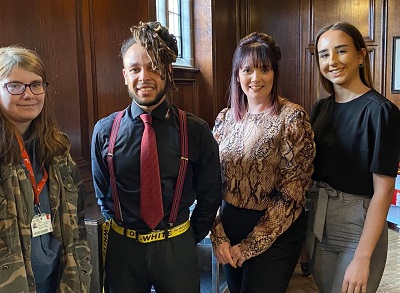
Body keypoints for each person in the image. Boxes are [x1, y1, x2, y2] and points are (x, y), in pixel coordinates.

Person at [91, 21, 222, 293]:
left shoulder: (195, 131)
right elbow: (103, 193)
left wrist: (184, 238)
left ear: (167, 71)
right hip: (123, 249)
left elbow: (210, 195)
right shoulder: (105, 131)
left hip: (176, 247)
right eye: (135, 69)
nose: (144, 76)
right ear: (124, 75)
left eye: (152, 67)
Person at [210, 32, 315, 293]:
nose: (255, 78)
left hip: (276, 230)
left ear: (274, 73)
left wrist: (249, 246)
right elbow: (207, 180)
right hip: (229, 225)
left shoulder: (292, 118)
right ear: (237, 75)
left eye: (264, 69)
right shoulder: (225, 119)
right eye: (248, 70)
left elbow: (294, 192)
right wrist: (218, 236)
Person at [307, 21, 400, 293]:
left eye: (341, 51)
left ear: (361, 55)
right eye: (324, 54)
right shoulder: (320, 109)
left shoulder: (381, 112)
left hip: (357, 226)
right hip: (319, 219)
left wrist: (363, 257)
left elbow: (383, 193)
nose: (332, 61)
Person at [0, 46, 92, 292]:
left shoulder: (57, 150)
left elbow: (77, 222)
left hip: (58, 279)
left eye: (36, 84)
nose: (28, 94)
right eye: (15, 85)